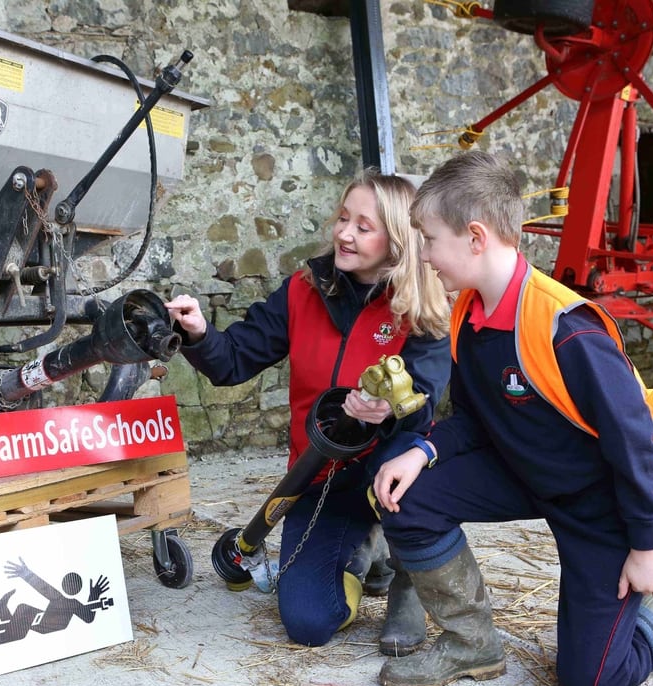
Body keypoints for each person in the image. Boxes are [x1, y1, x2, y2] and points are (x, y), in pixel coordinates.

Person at [370, 150, 653, 686]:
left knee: (592, 681)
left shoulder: (568, 328)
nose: (423, 254)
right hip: (524, 475)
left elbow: (635, 444)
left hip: (596, 502)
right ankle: (471, 645)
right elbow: (473, 421)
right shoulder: (468, 313)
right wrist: (422, 451)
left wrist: (646, 547)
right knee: (407, 496)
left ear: (475, 237)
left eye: (429, 239)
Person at [166, 167, 452, 654]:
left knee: (408, 459)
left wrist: (387, 411)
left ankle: (409, 578)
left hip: (389, 470)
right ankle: (362, 553)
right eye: (343, 218)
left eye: (363, 226)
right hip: (320, 477)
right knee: (309, 621)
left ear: (397, 239)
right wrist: (198, 333)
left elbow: (423, 397)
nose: (344, 233)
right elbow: (233, 360)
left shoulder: (422, 305)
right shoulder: (304, 289)